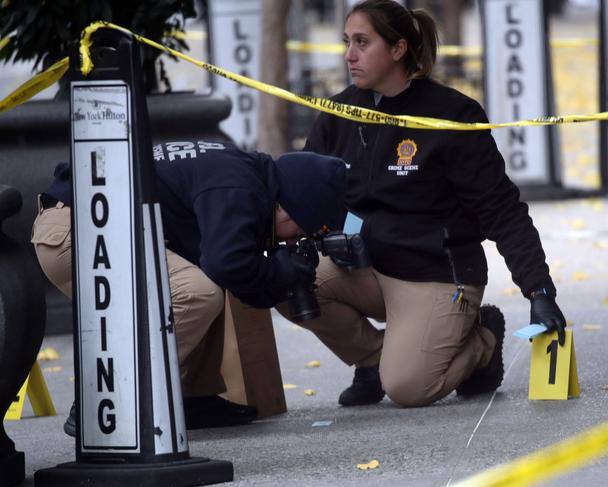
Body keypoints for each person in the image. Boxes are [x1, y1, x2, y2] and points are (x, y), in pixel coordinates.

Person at [282, 0, 566, 408]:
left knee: (408, 389)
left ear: (398, 50)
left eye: (362, 42)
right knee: (280, 280)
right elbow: (305, 197)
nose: (349, 55)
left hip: (435, 274)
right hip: (365, 268)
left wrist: (539, 290)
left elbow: (502, 209)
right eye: (347, 42)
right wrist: (325, 237)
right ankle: (372, 360)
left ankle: (481, 340)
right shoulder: (337, 113)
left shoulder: (451, 115)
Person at [31, 140, 347, 434]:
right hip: (79, 232)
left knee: (205, 279)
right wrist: (277, 270)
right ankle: (106, 396)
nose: (290, 241)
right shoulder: (240, 187)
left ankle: (188, 398)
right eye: (297, 232)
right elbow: (228, 264)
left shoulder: (243, 175)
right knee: (195, 292)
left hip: (89, 222)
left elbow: (235, 278)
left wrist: (281, 281)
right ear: (287, 207)